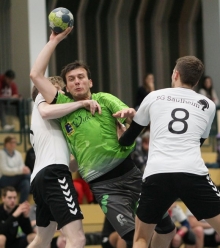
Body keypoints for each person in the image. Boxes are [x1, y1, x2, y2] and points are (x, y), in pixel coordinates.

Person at [29, 27, 176, 248]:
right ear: (66, 87)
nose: (77, 81)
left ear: (90, 82)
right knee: (132, 237)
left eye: (81, 77)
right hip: (103, 186)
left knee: (167, 230)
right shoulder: (63, 105)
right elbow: (35, 75)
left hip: (130, 173)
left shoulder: (104, 98)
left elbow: (133, 121)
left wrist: (130, 117)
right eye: (71, 79)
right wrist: (54, 40)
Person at [114, 55, 220, 248]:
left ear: (175, 74)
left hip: (157, 173)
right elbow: (198, 142)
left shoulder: (154, 96)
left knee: (141, 239)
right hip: (192, 172)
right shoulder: (209, 105)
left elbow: (129, 140)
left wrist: (122, 132)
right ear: (196, 81)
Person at [27, 76, 101, 248]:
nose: (60, 94)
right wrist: (82, 103)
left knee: (42, 240)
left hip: (42, 178)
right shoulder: (41, 99)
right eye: (56, 90)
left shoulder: (57, 124)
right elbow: (47, 110)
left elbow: (71, 164)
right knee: (78, 239)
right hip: (54, 174)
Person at [0, 135, 31, 203]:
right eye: (10, 142)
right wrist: (21, 171)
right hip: (4, 179)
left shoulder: (18, 154)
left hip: (17, 180)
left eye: (14, 142)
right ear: (6, 144)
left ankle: (21, 207)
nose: (13, 144)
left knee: (25, 183)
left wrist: (24, 170)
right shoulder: (1, 153)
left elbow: (22, 167)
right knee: (27, 175)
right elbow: (4, 170)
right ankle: (34, 183)